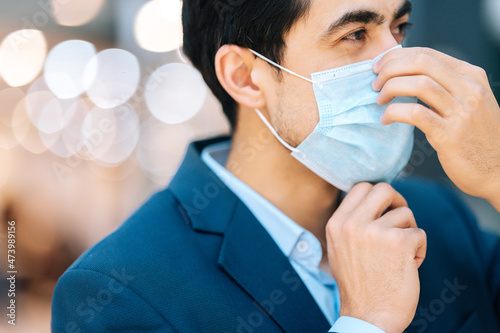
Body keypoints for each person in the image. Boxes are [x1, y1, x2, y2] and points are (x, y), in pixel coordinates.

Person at [51, 0, 500, 332]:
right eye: (355, 35)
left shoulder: (441, 217)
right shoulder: (119, 292)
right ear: (245, 76)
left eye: (398, 28)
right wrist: (367, 325)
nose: (398, 63)